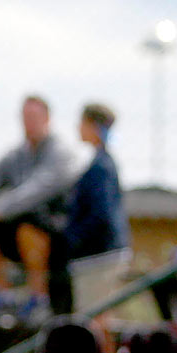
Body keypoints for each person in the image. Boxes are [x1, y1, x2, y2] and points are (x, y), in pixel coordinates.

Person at [0, 95, 75, 321]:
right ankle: (3, 295)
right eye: (25, 117)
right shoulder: (15, 156)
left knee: (29, 228)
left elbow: (36, 189)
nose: (28, 123)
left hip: (55, 234)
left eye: (34, 117)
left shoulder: (61, 152)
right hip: (14, 228)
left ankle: (38, 297)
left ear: (47, 119)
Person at [62, 103, 126, 263]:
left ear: (93, 126)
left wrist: (72, 238)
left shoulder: (101, 167)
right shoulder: (102, 162)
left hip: (100, 256)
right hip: (101, 253)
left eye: (83, 122)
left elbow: (101, 213)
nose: (78, 127)